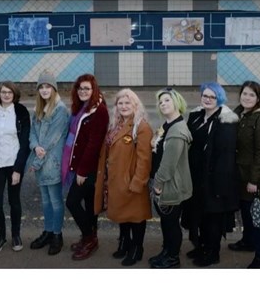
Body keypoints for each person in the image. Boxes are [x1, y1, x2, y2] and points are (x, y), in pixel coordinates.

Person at [93, 89, 153, 266]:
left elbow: (144, 158)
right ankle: (125, 243)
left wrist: (138, 181)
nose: (124, 106)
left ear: (135, 105)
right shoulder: (115, 124)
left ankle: (137, 247)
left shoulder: (141, 126)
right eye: (120, 103)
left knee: (136, 216)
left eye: (128, 103)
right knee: (122, 215)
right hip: (115, 180)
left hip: (131, 180)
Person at [183, 82, 240, 267]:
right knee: (198, 215)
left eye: (212, 97)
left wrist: (220, 185)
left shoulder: (226, 120)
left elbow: (226, 155)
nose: (207, 99)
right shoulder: (196, 115)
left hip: (215, 177)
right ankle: (201, 246)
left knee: (213, 218)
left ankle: (213, 252)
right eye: (205, 96)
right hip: (196, 175)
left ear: (219, 99)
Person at [230, 80, 260, 268]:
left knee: (255, 215)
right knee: (245, 212)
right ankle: (247, 241)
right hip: (240, 174)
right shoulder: (240, 114)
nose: (247, 98)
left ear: (259, 99)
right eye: (244, 94)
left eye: (251, 95)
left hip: (252, 177)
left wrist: (255, 180)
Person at [0, 81, 31, 254]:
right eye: (3, 92)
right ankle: (1, 236)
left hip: (13, 163)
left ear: (14, 94)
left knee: (14, 201)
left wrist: (18, 168)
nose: (7, 95)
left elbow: (25, 142)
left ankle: (16, 235)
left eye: (10, 92)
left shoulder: (21, 111)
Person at [63, 74, 109, 261]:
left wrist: (82, 171)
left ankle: (89, 237)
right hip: (79, 164)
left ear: (94, 90)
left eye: (87, 89)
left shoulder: (99, 111)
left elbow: (93, 144)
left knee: (72, 202)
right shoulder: (81, 107)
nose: (83, 91)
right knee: (89, 205)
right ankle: (91, 238)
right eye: (80, 88)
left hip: (88, 168)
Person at [148, 87, 193, 269]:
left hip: (170, 185)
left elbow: (168, 165)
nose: (163, 104)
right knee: (166, 223)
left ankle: (173, 258)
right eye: (161, 101)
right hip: (164, 184)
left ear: (177, 103)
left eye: (167, 100)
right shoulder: (166, 126)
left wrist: (157, 185)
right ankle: (166, 251)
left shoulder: (176, 131)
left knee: (171, 223)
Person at [27, 71, 69, 256]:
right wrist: (35, 146)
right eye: (41, 87)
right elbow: (32, 133)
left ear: (54, 89)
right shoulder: (38, 109)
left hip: (52, 163)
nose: (44, 90)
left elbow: (52, 139)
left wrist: (36, 161)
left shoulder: (60, 110)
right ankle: (48, 231)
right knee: (45, 201)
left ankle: (57, 235)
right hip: (41, 162)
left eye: (47, 86)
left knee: (55, 201)